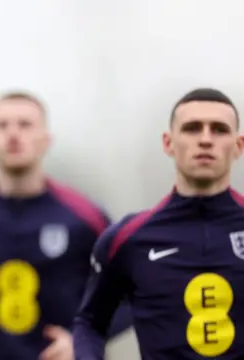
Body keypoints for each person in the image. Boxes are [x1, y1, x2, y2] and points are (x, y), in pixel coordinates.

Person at [0, 92, 132, 360]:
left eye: (25, 125)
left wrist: (86, 338)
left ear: (46, 140)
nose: (13, 134)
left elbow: (132, 294)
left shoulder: (86, 217)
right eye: (2, 125)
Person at [73, 88, 244, 359]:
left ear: (238, 146)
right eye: (192, 128)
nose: (205, 139)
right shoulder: (127, 238)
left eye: (219, 130)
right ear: (168, 143)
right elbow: (90, 323)